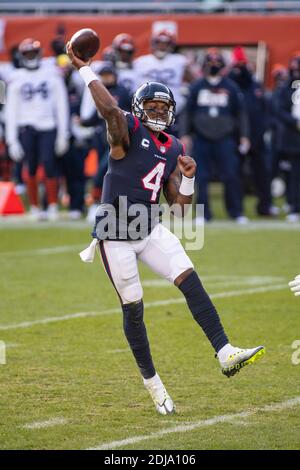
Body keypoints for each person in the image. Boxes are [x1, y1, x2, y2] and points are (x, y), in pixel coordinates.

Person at [67, 42, 265, 415]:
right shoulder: (125, 130)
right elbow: (109, 109)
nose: (158, 113)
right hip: (114, 233)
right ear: (140, 110)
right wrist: (85, 69)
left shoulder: (174, 145)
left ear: (172, 113)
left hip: (149, 227)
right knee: (135, 310)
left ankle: (225, 351)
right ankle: (153, 384)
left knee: (189, 278)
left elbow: (179, 207)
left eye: (164, 109)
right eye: (152, 108)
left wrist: (189, 179)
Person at [180, 48, 249, 223]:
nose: (213, 66)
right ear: (204, 66)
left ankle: (236, 212)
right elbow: (187, 112)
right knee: (201, 176)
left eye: (217, 63)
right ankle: (204, 213)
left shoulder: (231, 87)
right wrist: (185, 134)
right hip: (201, 138)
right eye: (210, 63)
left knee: (231, 174)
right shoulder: (196, 86)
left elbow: (240, 113)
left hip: (225, 138)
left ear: (223, 66)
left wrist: (244, 135)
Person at [5, 38, 69, 220]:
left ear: (40, 54)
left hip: (48, 126)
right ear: (22, 56)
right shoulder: (16, 77)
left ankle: (52, 205)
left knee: (49, 165)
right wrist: (12, 140)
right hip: (26, 127)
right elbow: (11, 110)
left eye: (34, 53)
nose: (31, 57)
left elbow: (61, 105)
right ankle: (34, 206)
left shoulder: (51, 74)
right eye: (28, 54)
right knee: (30, 167)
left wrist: (63, 133)